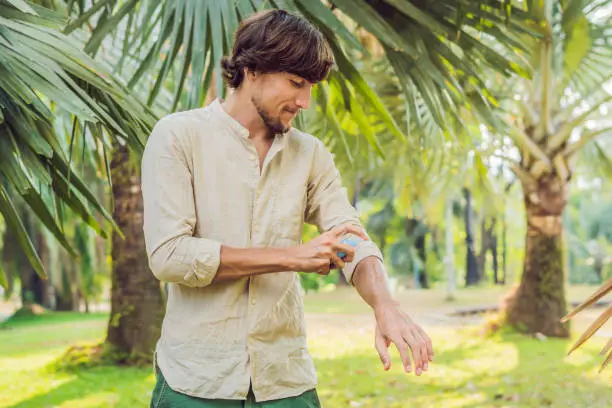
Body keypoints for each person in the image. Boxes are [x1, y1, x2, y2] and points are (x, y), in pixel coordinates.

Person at [141, 9, 433, 408]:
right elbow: (169, 256)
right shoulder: (178, 136)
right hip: (196, 382)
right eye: (296, 83)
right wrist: (291, 257)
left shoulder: (309, 154)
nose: (305, 101)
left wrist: (385, 305)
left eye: (311, 86)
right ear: (252, 69)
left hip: (286, 383)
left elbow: (349, 234)